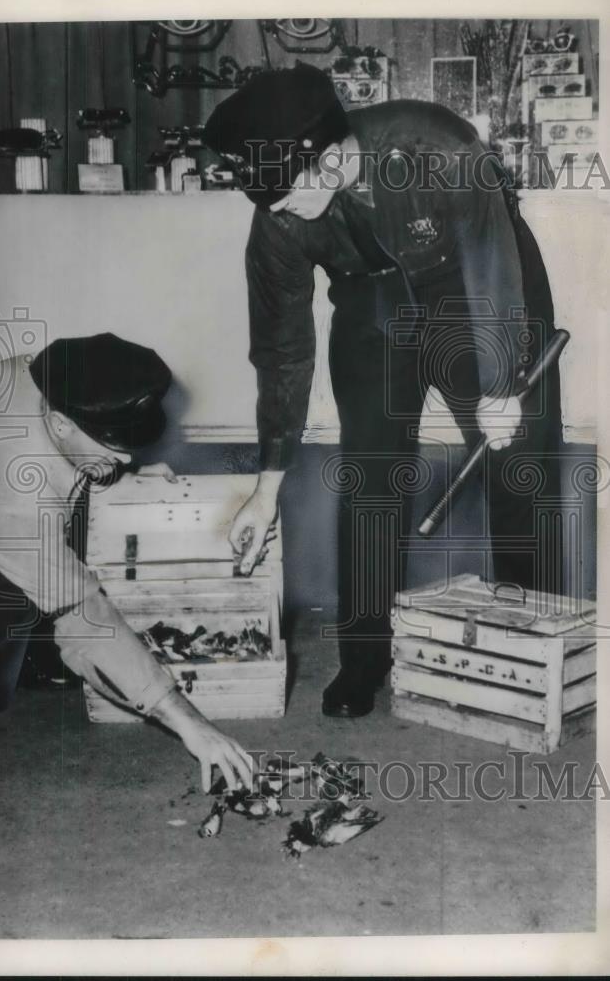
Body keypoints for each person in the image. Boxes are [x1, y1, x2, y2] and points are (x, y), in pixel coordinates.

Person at [203, 63, 563, 719]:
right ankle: (363, 658)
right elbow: (280, 352)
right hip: (371, 300)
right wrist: (265, 486)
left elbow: (491, 262)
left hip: (477, 282)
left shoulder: (439, 149)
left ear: (329, 158)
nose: (276, 212)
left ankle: (527, 651)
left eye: (282, 194)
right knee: (369, 477)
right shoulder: (277, 223)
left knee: (519, 467)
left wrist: (502, 381)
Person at [0, 332, 253, 792]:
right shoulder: (15, 491)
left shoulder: (46, 378)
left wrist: (122, 476)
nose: (124, 457)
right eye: (112, 447)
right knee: (9, 599)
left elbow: (68, 463)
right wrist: (189, 723)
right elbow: (85, 617)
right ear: (61, 423)